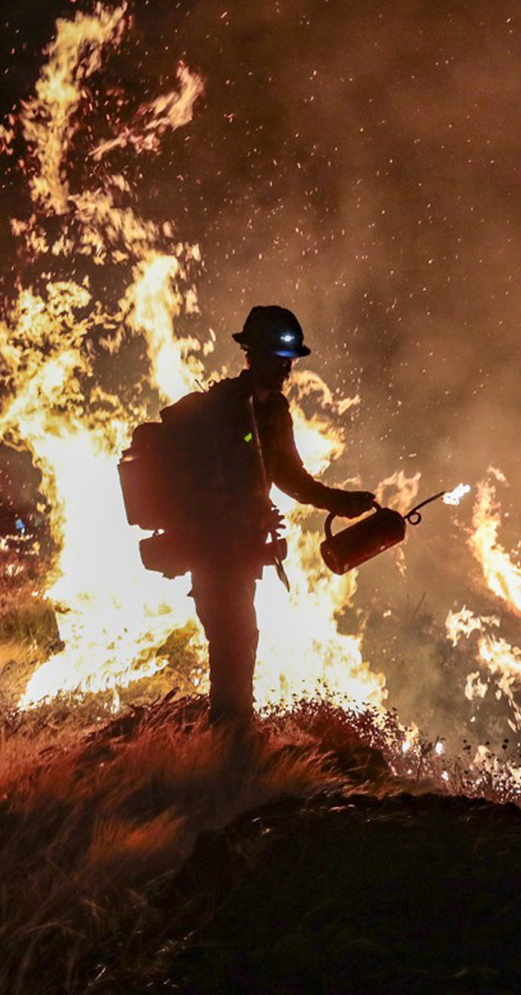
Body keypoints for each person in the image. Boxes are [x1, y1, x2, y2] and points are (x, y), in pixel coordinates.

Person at [168, 305, 377, 729]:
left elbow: (288, 476)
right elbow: (206, 484)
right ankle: (230, 743)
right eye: (280, 361)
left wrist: (340, 502)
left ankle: (231, 739)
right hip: (213, 551)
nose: (287, 370)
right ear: (253, 355)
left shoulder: (274, 411)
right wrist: (244, 517)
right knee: (235, 638)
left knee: (242, 639)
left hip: (243, 552)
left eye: (291, 362)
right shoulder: (220, 408)